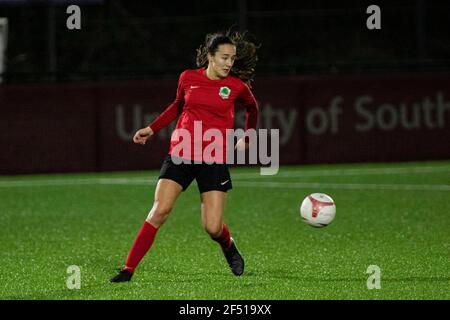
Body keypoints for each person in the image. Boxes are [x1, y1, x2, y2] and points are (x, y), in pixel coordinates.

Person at [110, 30, 259, 282]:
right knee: (160, 210)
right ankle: (128, 270)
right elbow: (178, 105)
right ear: (210, 57)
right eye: (224, 58)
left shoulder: (236, 86)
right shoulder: (188, 77)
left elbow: (252, 108)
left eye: (232, 59)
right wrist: (152, 128)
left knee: (212, 227)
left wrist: (250, 136)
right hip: (181, 152)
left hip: (213, 158)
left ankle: (228, 245)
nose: (229, 63)